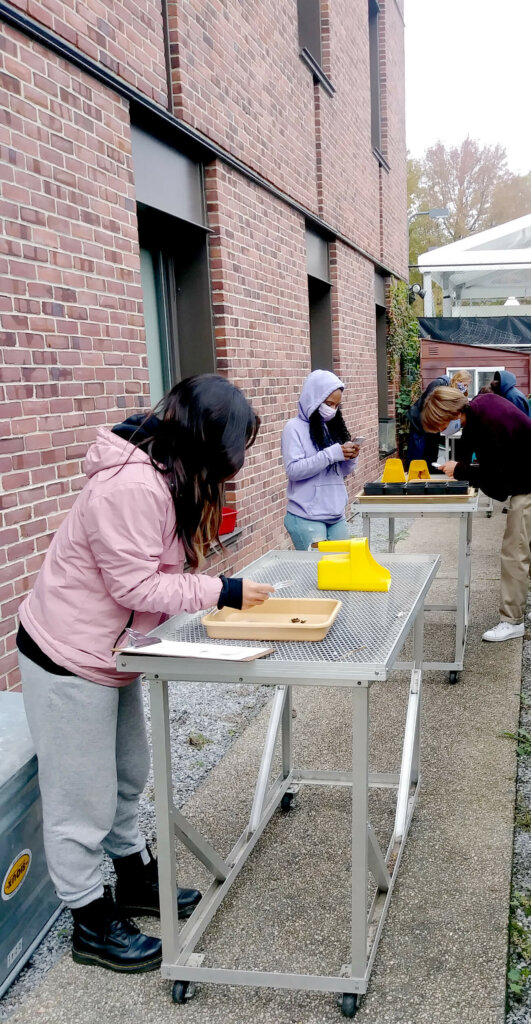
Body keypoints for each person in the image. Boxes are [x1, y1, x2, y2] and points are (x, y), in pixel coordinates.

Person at [16, 374, 275, 974]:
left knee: (129, 772)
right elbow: (133, 583)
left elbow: (148, 576)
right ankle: (90, 920)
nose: (230, 468)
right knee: (80, 798)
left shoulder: (166, 471)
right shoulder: (132, 486)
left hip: (113, 650)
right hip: (67, 653)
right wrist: (224, 590)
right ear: (204, 438)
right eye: (229, 452)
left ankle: (133, 880)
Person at [422, 386, 531, 642]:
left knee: (514, 550)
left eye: (440, 425)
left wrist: (461, 471)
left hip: (529, 477)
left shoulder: (491, 423)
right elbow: (470, 444)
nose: (441, 432)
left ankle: (512, 621)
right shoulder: (480, 406)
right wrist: (459, 467)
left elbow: (495, 473)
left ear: (452, 413)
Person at [282, 369, 360, 549]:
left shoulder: (332, 428)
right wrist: (331, 454)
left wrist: (349, 458)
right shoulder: (293, 428)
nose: (332, 410)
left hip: (336, 514)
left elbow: (340, 473)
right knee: (317, 573)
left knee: (340, 570)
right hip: (306, 516)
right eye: (328, 403)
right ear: (314, 398)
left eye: (336, 406)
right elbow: (293, 470)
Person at [406, 370, 471, 465]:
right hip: (419, 422)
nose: (465, 388)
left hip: (433, 424)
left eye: (467, 386)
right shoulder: (439, 383)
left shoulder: (452, 392)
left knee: (431, 450)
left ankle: (428, 471)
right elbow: (429, 405)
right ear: (458, 380)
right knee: (418, 452)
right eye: (464, 384)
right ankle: (414, 474)